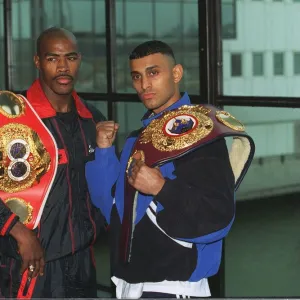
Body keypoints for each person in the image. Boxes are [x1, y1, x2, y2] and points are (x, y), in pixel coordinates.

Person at [86, 40, 255, 298]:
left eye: (153, 73)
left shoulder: (203, 135)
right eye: (137, 76)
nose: (144, 85)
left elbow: (217, 218)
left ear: (176, 73)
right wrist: (104, 152)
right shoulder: (138, 137)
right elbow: (112, 210)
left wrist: (161, 188)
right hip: (129, 287)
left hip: (175, 289)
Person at [0, 27, 105, 298]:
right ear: (37, 61)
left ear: (79, 59)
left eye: (70, 58)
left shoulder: (91, 118)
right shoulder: (12, 116)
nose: (63, 67)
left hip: (82, 263)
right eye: (52, 58)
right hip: (31, 265)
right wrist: (18, 232)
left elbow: (99, 185)